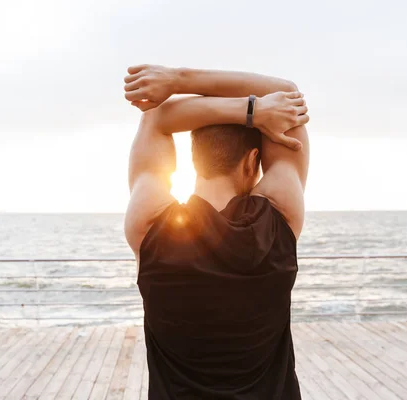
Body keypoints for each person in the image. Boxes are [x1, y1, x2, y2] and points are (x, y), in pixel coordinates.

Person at [123, 65, 310, 400]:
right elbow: (287, 94)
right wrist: (254, 110)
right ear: (253, 161)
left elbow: (156, 118)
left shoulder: (148, 224)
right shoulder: (281, 217)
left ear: (194, 160)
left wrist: (249, 113)